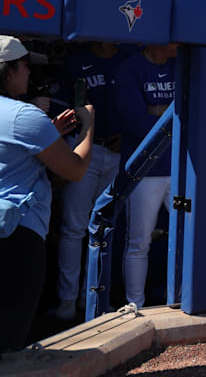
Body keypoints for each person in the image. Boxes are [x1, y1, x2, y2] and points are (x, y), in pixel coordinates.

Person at [0, 37, 94, 351]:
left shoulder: (29, 121)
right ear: (7, 71)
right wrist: (89, 125)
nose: (30, 73)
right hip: (15, 237)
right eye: (25, 66)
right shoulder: (25, 117)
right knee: (10, 342)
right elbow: (75, 169)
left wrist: (48, 134)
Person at [52, 42, 123, 321]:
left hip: (117, 152)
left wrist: (127, 135)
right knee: (74, 228)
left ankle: (92, 299)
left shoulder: (128, 61)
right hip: (82, 148)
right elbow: (60, 114)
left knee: (105, 228)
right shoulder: (76, 62)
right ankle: (67, 301)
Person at [116, 44, 177, 308]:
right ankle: (134, 306)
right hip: (144, 170)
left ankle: (180, 299)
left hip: (179, 170)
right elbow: (136, 121)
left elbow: (191, 113)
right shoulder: (130, 68)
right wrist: (170, 112)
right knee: (139, 240)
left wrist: (156, 109)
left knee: (187, 237)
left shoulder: (180, 65)